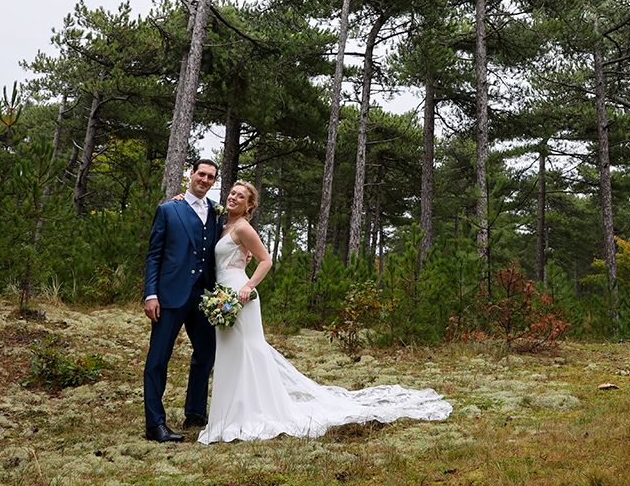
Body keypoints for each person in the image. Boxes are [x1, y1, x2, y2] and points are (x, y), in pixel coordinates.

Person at [197, 180, 452, 443]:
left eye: (240, 196)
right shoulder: (222, 223)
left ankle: (254, 412)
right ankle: (228, 414)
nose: (234, 198)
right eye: (232, 193)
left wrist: (249, 285)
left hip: (239, 294)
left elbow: (266, 260)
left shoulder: (243, 228)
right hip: (221, 295)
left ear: (249, 205)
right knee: (229, 354)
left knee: (249, 351)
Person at [142, 159, 224, 442]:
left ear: (214, 182)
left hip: (203, 296)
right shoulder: (168, 209)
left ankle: (196, 412)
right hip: (169, 296)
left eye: (211, 177)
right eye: (201, 174)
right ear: (191, 175)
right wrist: (150, 294)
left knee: (206, 354)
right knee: (158, 358)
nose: (205, 180)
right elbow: (154, 255)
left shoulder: (216, 213)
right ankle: (155, 425)